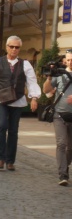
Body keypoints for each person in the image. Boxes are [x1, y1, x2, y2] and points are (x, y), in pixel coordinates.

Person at [0, 35, 41, 171]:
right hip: (1, 99)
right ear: (6, 47)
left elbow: (32, 82)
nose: (14, 49)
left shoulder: (25, 65)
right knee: (2, 125)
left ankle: (10, 160)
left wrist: (34, 98)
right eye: (11, 46)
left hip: (18, 100)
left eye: (17, 47)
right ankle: (0, 158)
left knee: (13, 130)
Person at [43, 50, 72, 186]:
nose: (70, 62)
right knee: (61, 144)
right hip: (59, 115)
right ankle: (63, 175)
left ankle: (64, 168)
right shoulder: (59, 74)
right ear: (65, 60)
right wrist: (49, 77)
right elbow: (46, 90)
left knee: (70, 148)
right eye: (68, 59)